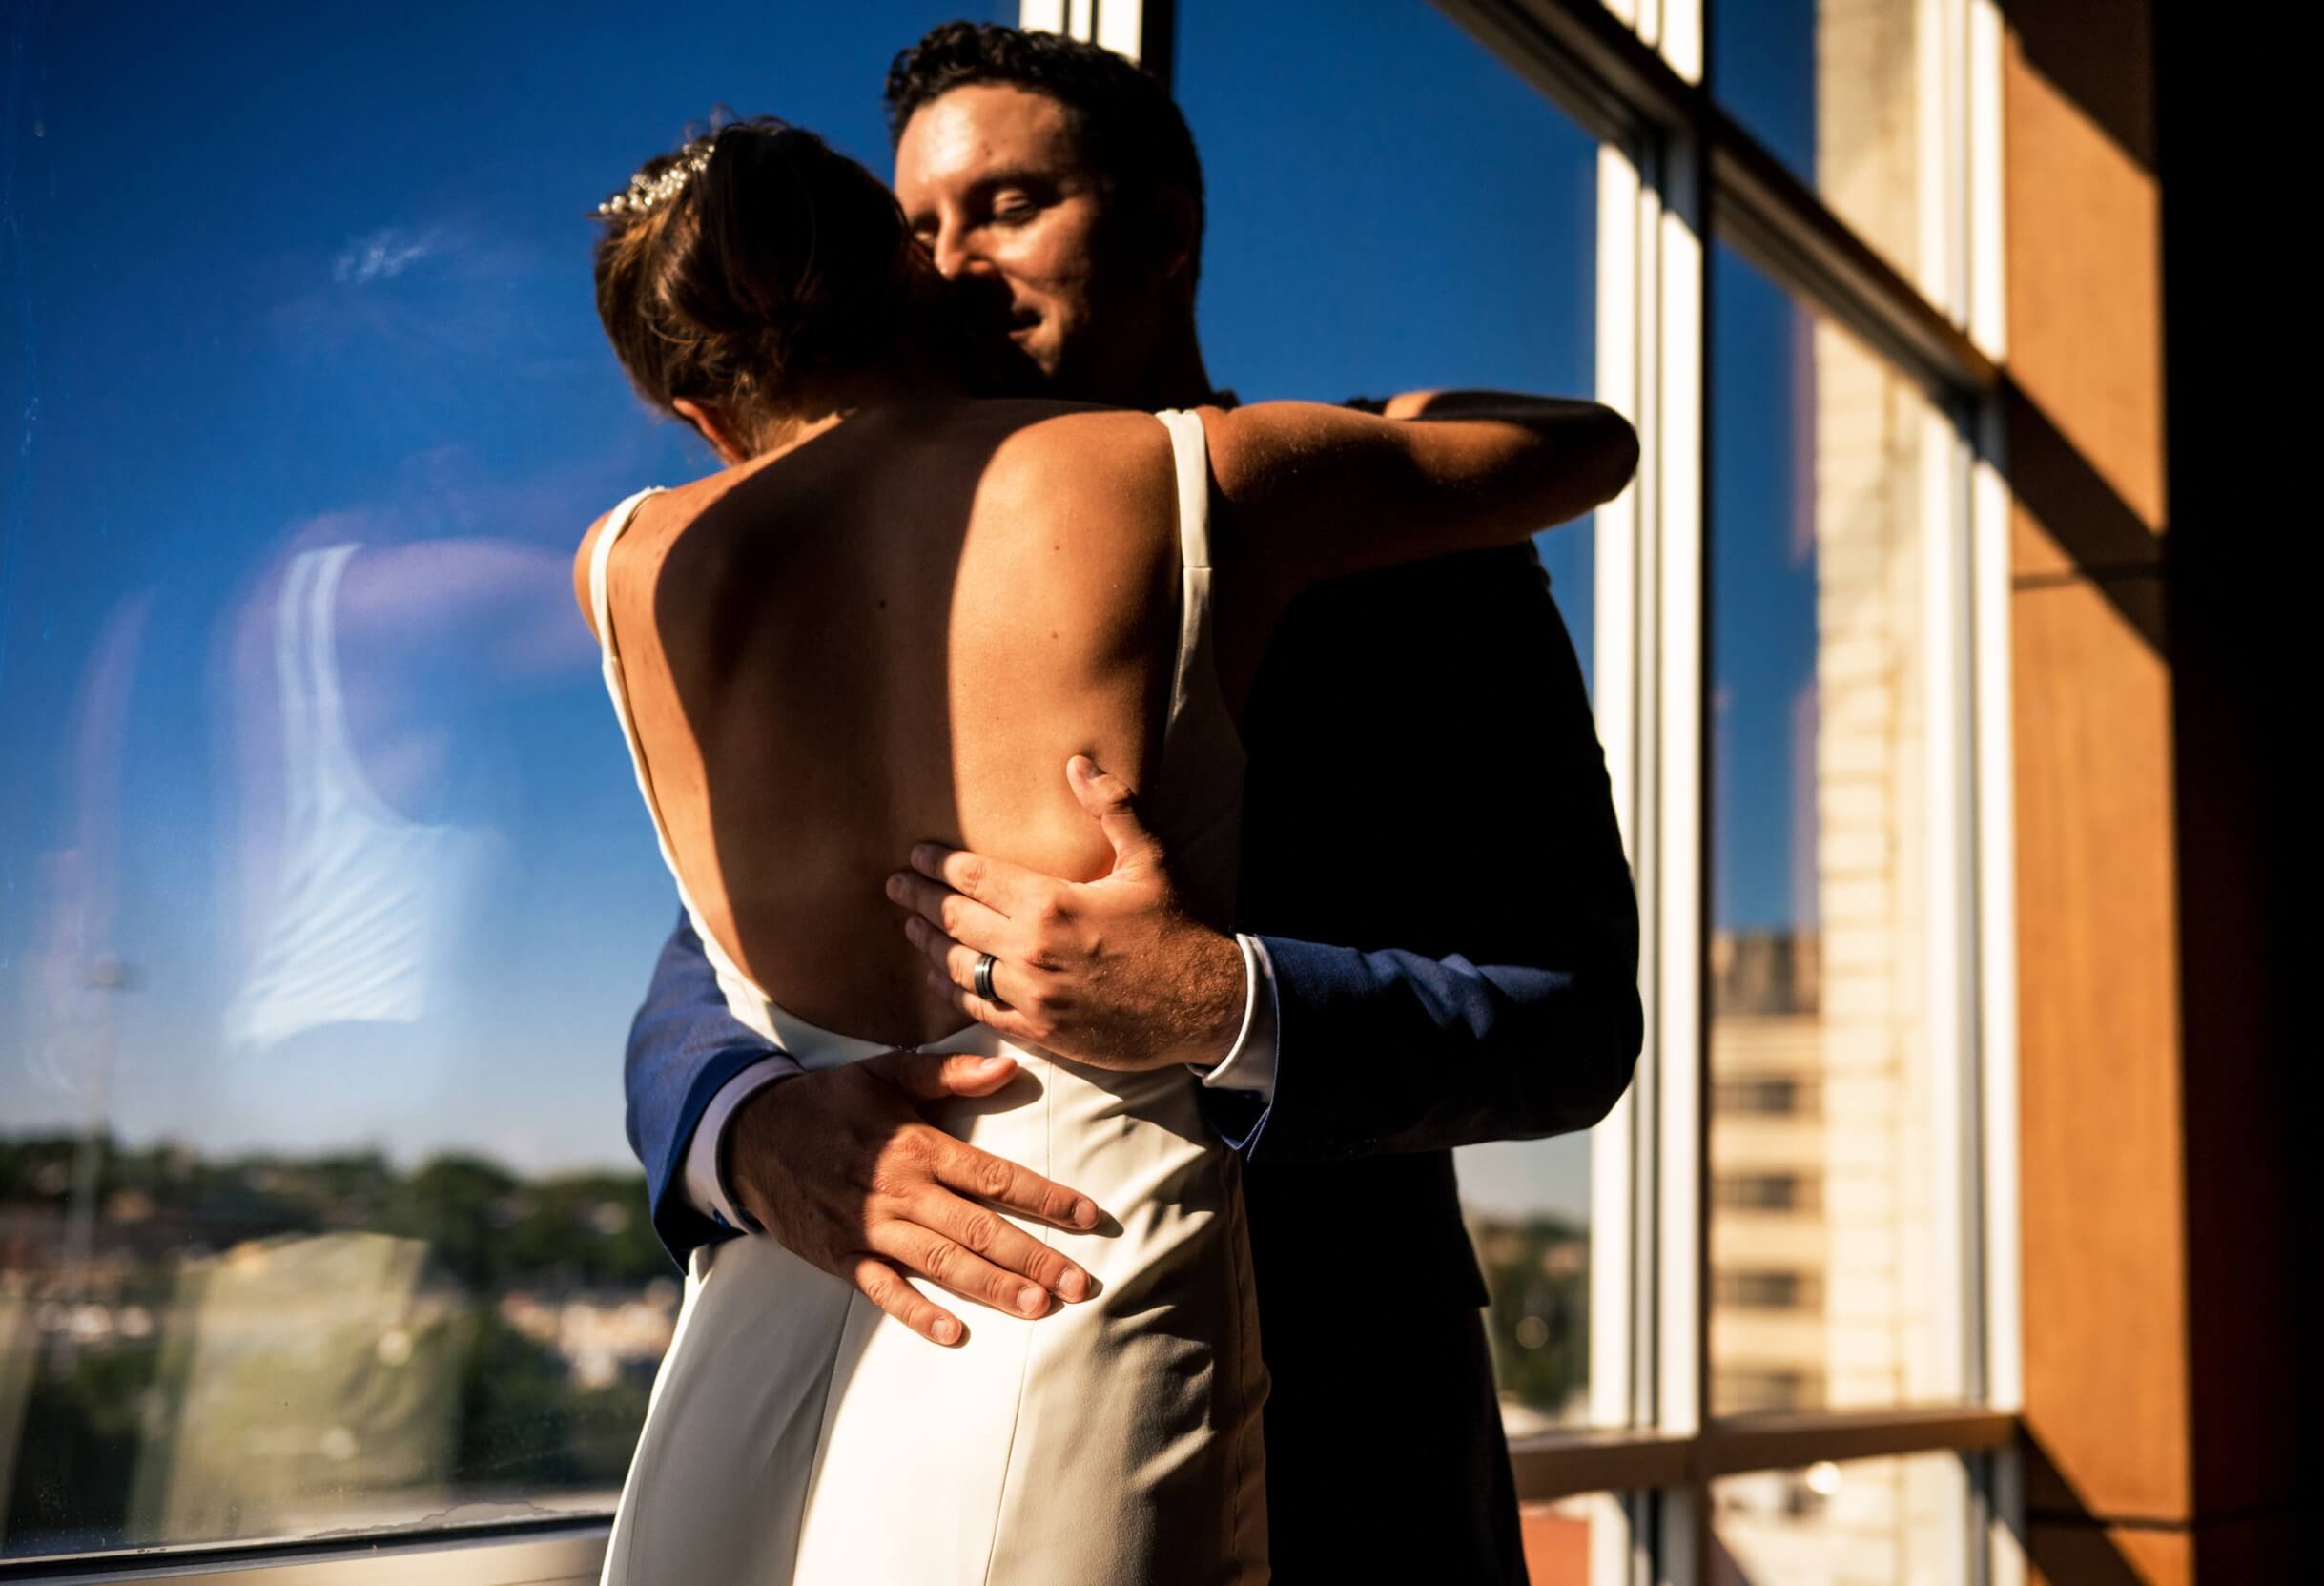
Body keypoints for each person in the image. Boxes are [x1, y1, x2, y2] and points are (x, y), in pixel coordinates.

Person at [622, 25, 1646, 1582]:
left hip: (1346, 1449)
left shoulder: (1405, 538)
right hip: (888, 1392)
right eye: (916, 230)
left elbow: (1575, 1019)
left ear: (1166, 229)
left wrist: (1220, 1001)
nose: (952, 270)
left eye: (1009, 206)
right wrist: (749, 1134)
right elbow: (704, 977)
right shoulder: (825, 572)